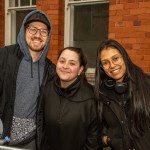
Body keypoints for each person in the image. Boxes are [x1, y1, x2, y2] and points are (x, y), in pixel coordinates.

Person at [0, 10, 55, 149]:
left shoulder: (51, 70)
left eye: (43, 31)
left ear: (48, 37)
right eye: (33, 29)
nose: (37, 35)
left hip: (31, 141)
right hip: (2, 138)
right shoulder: (5, 56)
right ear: (23, 31)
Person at [95, 39, 150, 150]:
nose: (112, 65)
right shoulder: (102, 93)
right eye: (105, 63)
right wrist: (108, 140)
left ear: (124, 57)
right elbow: (97, 132)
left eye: (115, 58)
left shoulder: (147, 84)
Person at [42, 47, 101, 150]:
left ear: (80, 70)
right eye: (62, 61)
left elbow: (94, 140)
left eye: (72, 63)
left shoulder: (91, 97)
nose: (65, 66)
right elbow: (42, 129)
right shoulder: (47, 90)